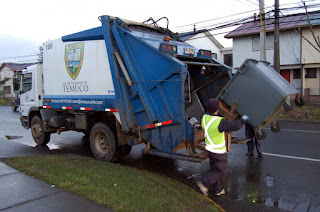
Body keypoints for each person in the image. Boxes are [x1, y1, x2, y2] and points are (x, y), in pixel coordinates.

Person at [197, 99, 249, 196]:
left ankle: (218, 190)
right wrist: (243, 119)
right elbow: (235, 126)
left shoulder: (203, 118)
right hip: (218, 152)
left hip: (210, 150)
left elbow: (204, 117)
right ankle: (204, 182)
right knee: (220, 171)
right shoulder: (219, 122)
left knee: (215, 170)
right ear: (217, 109)